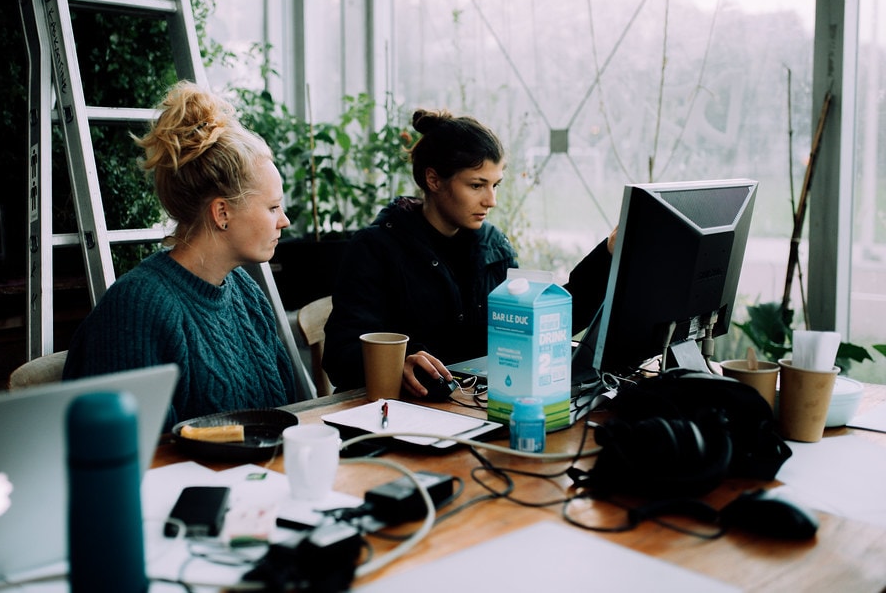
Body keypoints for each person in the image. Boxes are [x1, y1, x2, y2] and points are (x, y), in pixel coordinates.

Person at [321, 108, 615, 398]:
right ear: (434, 180)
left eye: (495, 185)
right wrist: (400, 362)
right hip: (401, 413)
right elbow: (340, 355)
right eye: (477, 185)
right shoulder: (375, 249)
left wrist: (609, 256)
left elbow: (539, 325)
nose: (492, 201)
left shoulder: (493, 246)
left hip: (468, 408)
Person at [63, 81, 298, 428]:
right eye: (273, 207)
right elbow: (138, 455)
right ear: (222, 214)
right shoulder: (137, 311)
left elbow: (289, 418)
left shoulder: (247, 296)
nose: (285, 220)